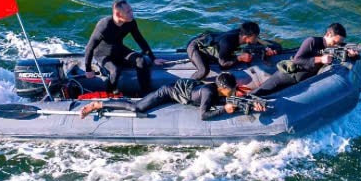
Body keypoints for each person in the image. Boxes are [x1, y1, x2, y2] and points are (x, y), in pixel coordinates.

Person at [79, 72, 264, 119]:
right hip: (168, 91)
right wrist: (224, 110)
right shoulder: (209, 92)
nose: (233, 93)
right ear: (222, 88)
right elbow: (203, 115)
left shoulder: (217, 89)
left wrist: (253, 103)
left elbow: (231, 99)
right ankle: (98, 104)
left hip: (183, 89)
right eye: (230, 90)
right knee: (137, 107)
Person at [252, 22, 361, 95]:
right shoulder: (312, 41)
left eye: (339, 43)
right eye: (335, 42)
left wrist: (353, 54)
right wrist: (320, 59)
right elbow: (297, 60)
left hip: (301, 83)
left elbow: (349, 51)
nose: (336, 45)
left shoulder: (335, 47)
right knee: (260, 92)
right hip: (288, 76)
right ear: (328, 34)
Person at [84, 0, 156, 95]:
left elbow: (140, 39)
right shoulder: (104, 26)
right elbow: (89, 47)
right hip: (102, 55)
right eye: (128, 12)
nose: (132, 13)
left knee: (140, 60)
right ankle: (109, 94)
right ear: (118, 14)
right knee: (115, 70)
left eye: (131, 10)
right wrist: (88, 69)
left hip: (118, 49)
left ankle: (146, 93)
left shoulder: (130, 22)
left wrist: (153, 58)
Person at [186, 21, 279, 79]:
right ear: (246, 37)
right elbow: (222, 64)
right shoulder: (228, 43)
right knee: (203, 71)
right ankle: (187, 84)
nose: (256, 39)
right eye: (255, 37)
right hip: (195, 47)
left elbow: (257, 42)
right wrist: (239, 58)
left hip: (212, 41)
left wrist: (266, 48)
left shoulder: (241, 33)